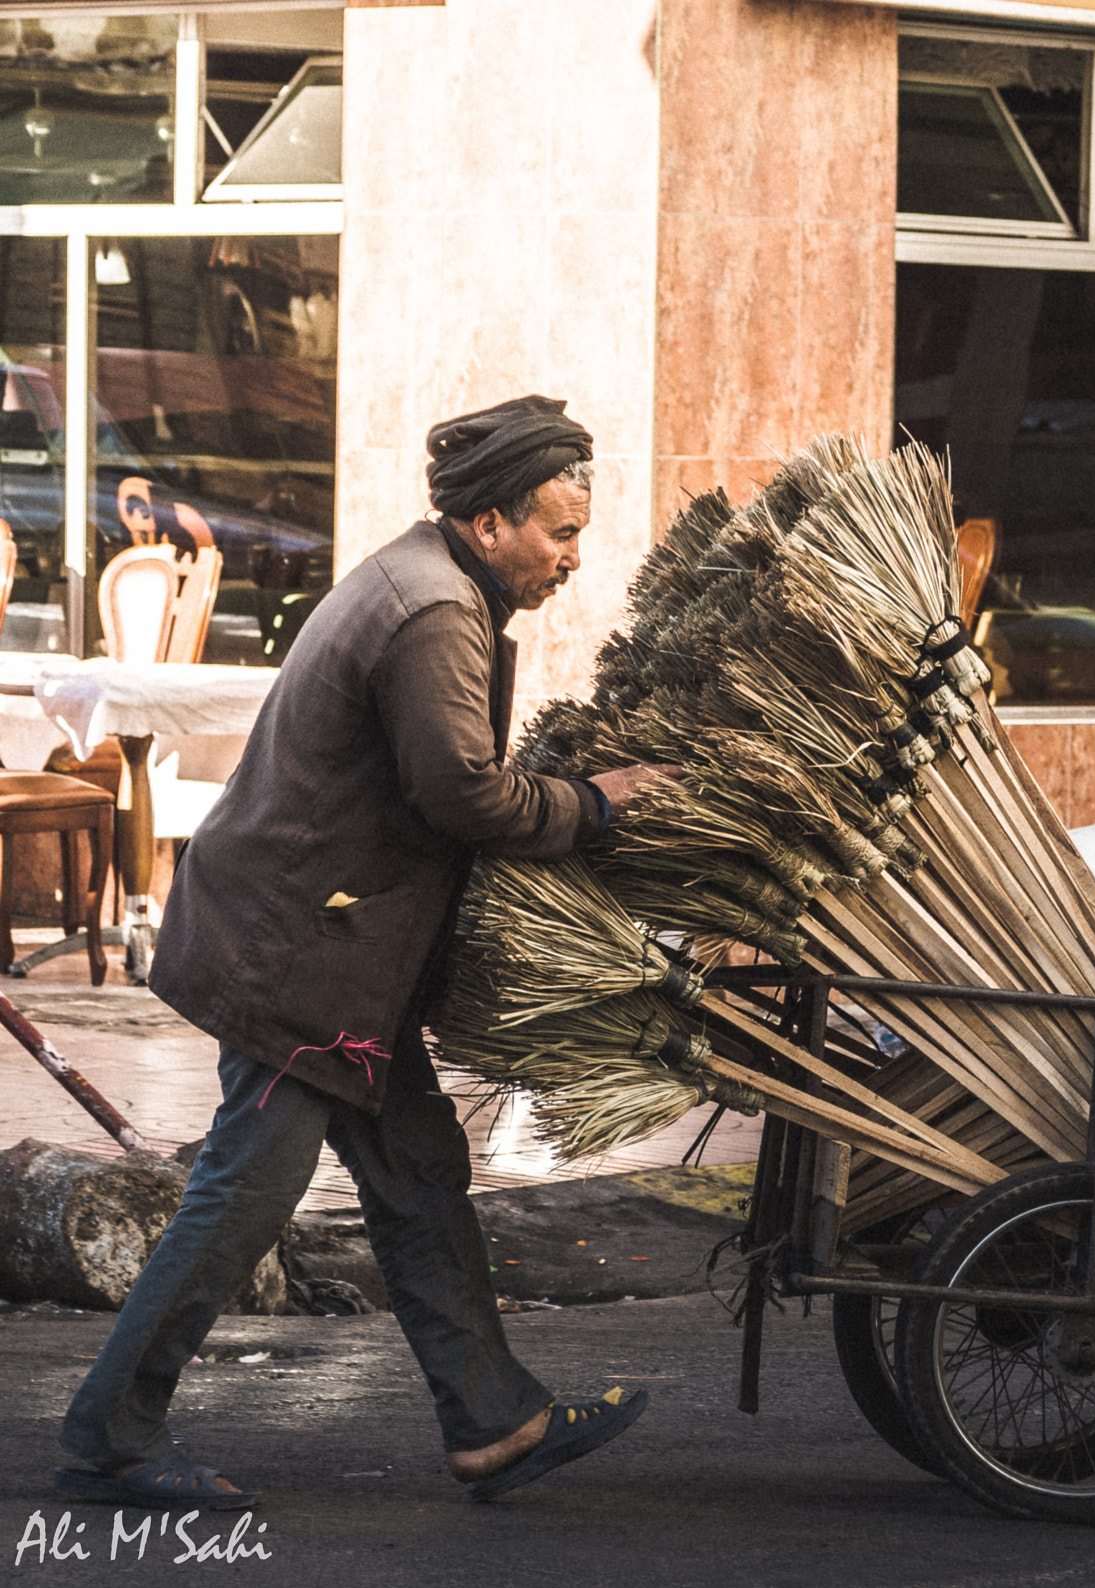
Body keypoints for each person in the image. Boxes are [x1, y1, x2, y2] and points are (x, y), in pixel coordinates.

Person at [54, 395, 670, 1510]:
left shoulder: (430, 578)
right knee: (246, 1193)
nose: (576, 556)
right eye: (560, 532)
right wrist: (594, 803)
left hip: (340, 952)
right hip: (298, 957)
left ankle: (493, 1421)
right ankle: (110, 1429)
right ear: (489, 524)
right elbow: (464, 795)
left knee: (417, 1168)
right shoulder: (435, 610)